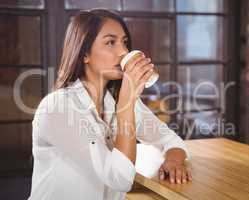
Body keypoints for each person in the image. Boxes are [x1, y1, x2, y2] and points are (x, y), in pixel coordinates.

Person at [28, 9, 192, 200]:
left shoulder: (119, 100)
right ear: (84, 54)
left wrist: (173, 160)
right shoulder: (57, 107)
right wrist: (126, 105)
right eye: (110, 42)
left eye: (124, 43)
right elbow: (119, 179)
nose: (124, 52)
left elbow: (170, 140)